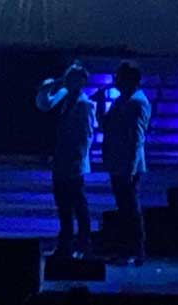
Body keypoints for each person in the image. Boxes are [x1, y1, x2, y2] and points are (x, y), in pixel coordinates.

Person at [36, 61, 96, 259]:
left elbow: (85, 135)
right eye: (67, 77)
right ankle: (65, 245)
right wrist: (46, 89)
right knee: (63, 206)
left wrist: (77, 161)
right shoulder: (64, 96)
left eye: (72, 78)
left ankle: (83, 244)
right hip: (61, 161)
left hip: (73, 163)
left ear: (81, 81)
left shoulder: (84, 104)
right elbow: (44, 105)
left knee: (78, 205)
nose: (68, 81)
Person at [99, 61, 151, 266]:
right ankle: (126, 250)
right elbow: (106, 125)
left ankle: (136, 251)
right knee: (124, 209)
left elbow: (136, 138)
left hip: (127, 165)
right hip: (119, 162)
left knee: (130, 209)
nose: (115, 81)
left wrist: (130, 166)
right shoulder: (122, 100)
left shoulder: (137, 102)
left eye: (119, 77)